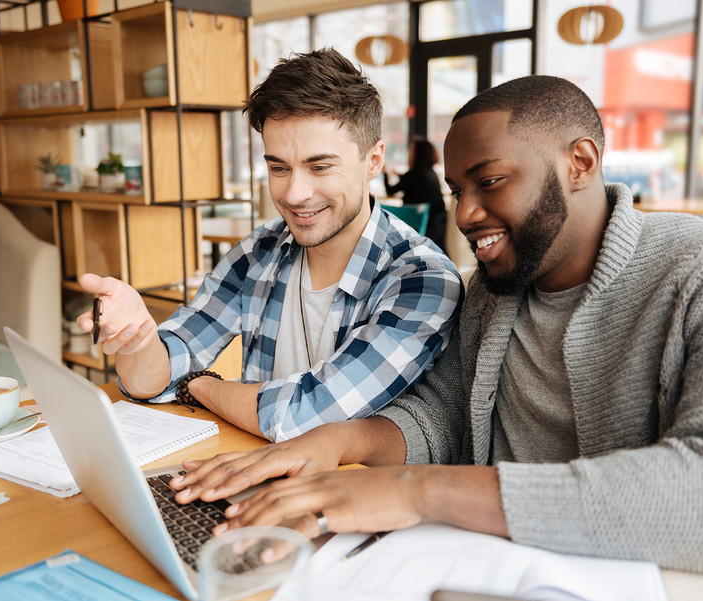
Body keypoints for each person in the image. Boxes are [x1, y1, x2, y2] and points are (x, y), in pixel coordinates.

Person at [167, 75, 703, 589]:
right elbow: (443, 418)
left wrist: (416, 490)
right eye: (456, 190)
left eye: (489, 182)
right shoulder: (492, 291)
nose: (464, 215)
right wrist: (338, 441)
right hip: (493, 566)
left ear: (580, 161)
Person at [77, 48, 463, 443]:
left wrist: (200, 385)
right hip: (255, 474)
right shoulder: (259, 251)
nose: (294, 194)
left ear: (374, 160)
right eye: (278, 167)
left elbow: (305, 415)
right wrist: (140, 342)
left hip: (357, 493)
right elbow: (155, 376)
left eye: (319, 166)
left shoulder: (423, 280)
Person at [383, 137, 448, 254]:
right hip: (439, 219)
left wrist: (385, 173)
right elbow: (411, 181)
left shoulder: (414, 174)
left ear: (418, 153)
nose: (409, 153)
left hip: (423, 223)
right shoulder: (430, 173)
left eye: (411, 150)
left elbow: (391, 190)